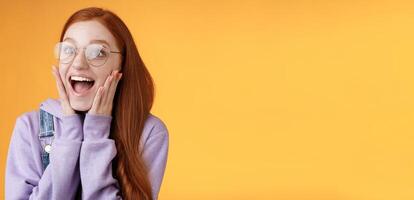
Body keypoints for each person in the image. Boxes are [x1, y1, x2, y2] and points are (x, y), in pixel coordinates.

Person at [5, 7, 169, 200]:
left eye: (98, 52)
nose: (78, 64)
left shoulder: (149, 132)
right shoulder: (29, 127)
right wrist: (70, 136)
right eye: (68, 50)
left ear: (122, 64)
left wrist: (97, 132)